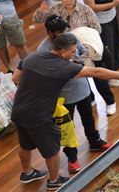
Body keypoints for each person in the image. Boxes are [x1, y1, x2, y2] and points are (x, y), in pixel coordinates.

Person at [11, 32, 119, 189]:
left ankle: (27, 173)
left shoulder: (32, 57)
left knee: (25, 145)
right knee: (51, 148)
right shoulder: (62, 67)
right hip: (39, 115)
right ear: (63, 52)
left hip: (19, 109)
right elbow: (95, 72)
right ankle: (54, 181)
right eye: (73, 51)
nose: (75, 54)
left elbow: (15, 78)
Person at [33, 0, 119, 117]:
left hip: (87, 47)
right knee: (80, 76)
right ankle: (90, 99)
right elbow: (38, 20)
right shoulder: (55, 10)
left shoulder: (85, 9)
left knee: (98, 76)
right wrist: (41, 11)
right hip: (67, 51)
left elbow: (97, 28)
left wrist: (84, 38)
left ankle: (110, 101)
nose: (67, 0)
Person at [38, 15, 110, 172]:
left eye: (65, 31)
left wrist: (76, 59)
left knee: (88, 118)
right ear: (50, 33)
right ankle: (72, 157)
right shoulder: (43, 51)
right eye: (59, 32)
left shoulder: (70, 38)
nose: (63, 35)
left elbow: (84, 53)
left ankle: (95, 141)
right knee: (67, 128)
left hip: (82, 88)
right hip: (62, 96)